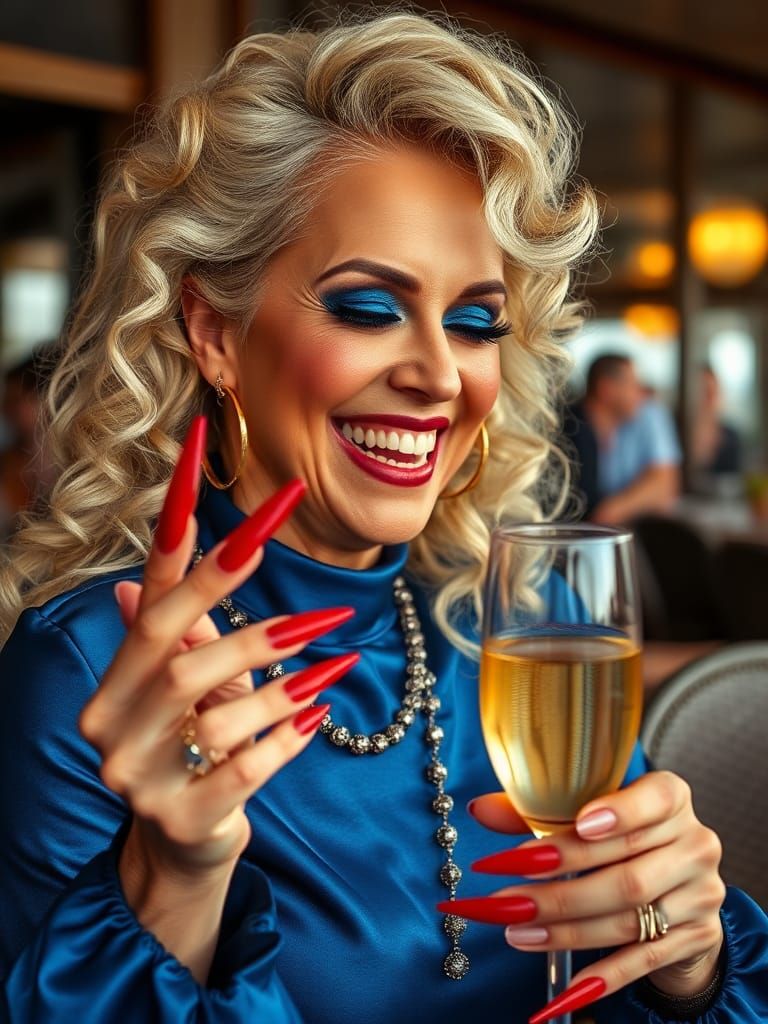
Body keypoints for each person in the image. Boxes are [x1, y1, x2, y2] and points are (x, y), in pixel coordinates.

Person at [0, 12, 764, 1024]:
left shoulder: (513, 633)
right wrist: (173, 880)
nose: (440, 373)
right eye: (368, 308)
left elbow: (632, 946)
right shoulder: (88, 673)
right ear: (214, 332)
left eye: (476, 322)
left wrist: (687, 965)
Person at [565, 354, 681, 524]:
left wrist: (609, 513)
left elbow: (665, 484)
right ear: (606, 389)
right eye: (633, 384)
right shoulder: (571, 430)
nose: (641, 393)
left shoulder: (647, 415)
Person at [691, 365, 742, 482]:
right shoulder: (676, 434)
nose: (710, 399)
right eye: (704, 391)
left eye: (713, 392)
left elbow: (733, 481)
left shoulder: (731, 437)